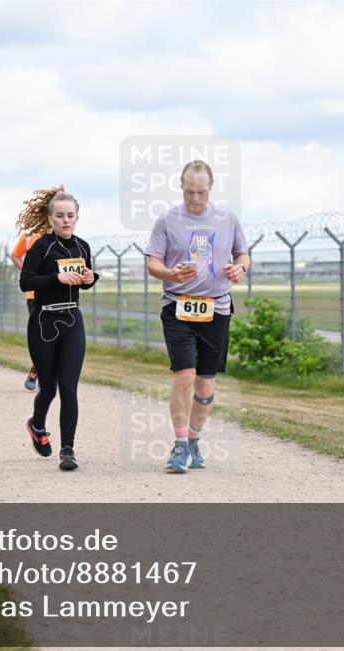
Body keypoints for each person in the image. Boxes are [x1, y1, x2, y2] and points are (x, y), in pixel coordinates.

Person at [145, 160, 249, 473]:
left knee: (205, 384)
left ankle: (193, 439)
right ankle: (178, 446)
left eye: (201, 192)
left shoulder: (227, 218)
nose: (195, 198)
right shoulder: (167, 220)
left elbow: (242, 254)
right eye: (189, 192)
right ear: (182, 187)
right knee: (185, 375)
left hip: (216, 307)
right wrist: (170, 274)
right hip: (177, 305)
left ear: (211, 188)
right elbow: (153, 263)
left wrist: (240, 268)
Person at [18, 186, 98, 472]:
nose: (66, 220)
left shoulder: (82, 246)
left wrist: (89, 277)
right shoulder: (41, 246)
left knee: (69, 387)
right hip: (43, 322)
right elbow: (26, 282)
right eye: (60, 216)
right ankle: (37, 425)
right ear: (50, 219)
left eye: (71, 216)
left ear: (77, 218)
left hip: (72, 321)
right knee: (48, 388)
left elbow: (84, 280)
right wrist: (56, 278)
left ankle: (68, 450)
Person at [11, 229, 43, 390]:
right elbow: (15, 255)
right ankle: (36, 369)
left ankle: (48, 371)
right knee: (40, 335)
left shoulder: (62, 232)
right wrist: (29, 272)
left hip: (59, 293)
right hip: (34, 294)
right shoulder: (29, 235)